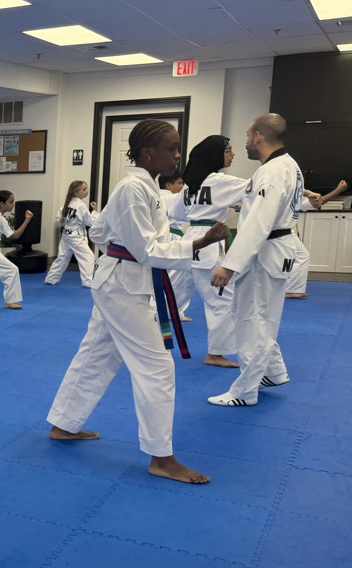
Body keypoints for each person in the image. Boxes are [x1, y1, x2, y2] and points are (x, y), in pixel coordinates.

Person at [46, 120, 227, 484]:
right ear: (148, 152)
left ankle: (63, 424)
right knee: (157, 368)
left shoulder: (146, 188)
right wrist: (197, 243)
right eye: (172, 148)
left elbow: (99, 230)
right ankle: (161, 458)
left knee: (96, 354)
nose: (177, 155)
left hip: (119, 281)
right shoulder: (133, 189)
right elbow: (146, 250)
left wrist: (123, 242)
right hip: (122, 286)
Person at [208, 114, 304, 407]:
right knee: (263, 317)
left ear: (259, 136)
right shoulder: (288, 166)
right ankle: (274, 372)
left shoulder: (273, 171)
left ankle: (244, 391)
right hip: (276, 248)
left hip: (266, 250)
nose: (246, 143)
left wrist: (229, 264)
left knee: (252, 320)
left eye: (248, 136)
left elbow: (258, 223)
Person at [178, 135, 250, 367]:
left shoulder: (191, 184)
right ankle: (215, 353)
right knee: (221, 300)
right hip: (208, 243)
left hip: (190, 240)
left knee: (175, 292)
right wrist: (305, 194)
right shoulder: (218, 180)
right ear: (215, 155)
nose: (233, 154)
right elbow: (260, 188)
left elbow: (178, 213)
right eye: (228, 150)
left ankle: (146, 333)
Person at [288, 179, 348, 298]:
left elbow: (319, 201)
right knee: (300, 256)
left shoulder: (298, 193)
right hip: (277, 230)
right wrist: (338, 190)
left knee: (297, 256)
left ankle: (291, 288)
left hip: (283, 230)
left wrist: (338, 191)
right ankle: (291, 289)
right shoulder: (290, 189)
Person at [44, 180, 98, 286]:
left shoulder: (66, 204)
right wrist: (95, 212)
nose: (86, 191)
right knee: (88, 256)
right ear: (76, 192)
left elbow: (59, 219)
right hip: (76, 236)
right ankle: (88, 281)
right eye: (84, 189)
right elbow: (90, 222)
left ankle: (51, 279)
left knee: (62, 257)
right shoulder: (81, 205)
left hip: (66, 234)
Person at [158, 168, 194, 323]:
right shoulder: (167, 198)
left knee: (175, 276)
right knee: (175, 277)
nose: (182, 186)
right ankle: (168, 310)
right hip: (170, 239)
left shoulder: (160, 196)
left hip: (170, 239)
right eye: (180, 183)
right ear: (168, 185)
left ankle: (172, 310)